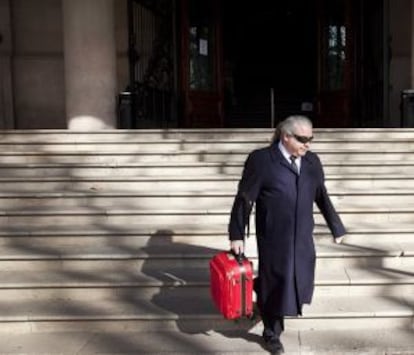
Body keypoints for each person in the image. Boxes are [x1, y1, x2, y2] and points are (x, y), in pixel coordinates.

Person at [228, 115, 346, 354]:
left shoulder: (312, 161)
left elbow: (321, 195)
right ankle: (272, 333)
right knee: (278, 283)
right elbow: (245, 198)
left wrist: (336, 226)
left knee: (301, 279)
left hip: (303, 235)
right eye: (303, 139)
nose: (308, 144)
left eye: (311, 139)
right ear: (286, 136)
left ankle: (260, 290)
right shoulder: (261, 160)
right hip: (274, 236)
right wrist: (237, 233)